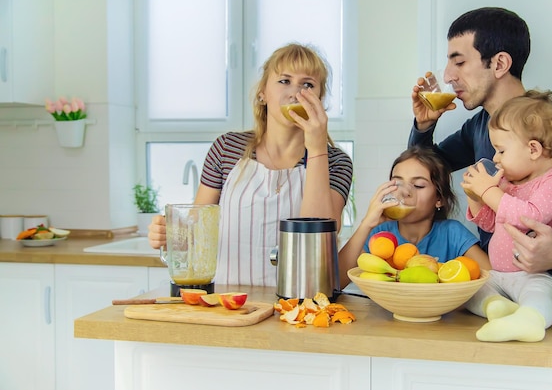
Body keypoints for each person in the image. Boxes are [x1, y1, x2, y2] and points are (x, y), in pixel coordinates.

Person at [408, 7, 552, 274]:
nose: (448, 76)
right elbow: (421, 173)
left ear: (499, 64)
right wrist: (424, 125)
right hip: (495, 282)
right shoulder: (476, 126)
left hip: (540, 288)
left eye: (459, 62)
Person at [148, 43, 353, 287]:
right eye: (284, 81)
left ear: (318, 100)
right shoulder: (226, 149)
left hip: (299, 310)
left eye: (307, 85)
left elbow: (319, 239)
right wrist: (166, 236)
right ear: (262, 93)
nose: (295, 93)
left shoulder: (336, 163)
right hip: (228, 307)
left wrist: (317, 148)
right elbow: (196, 233)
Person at [461, 90, 552, 342]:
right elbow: (492, 222)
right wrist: (475, 196)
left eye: (501, 151)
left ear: (533, 149)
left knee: (537, 294)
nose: (495, 158)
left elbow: (527, 216)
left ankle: (531, 320)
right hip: (502, 277)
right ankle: (498, 307)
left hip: (543, 277)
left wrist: (488, 190)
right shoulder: (509, 184)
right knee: (471, 289)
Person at [338, 146, 491, 289]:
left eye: (418, 185)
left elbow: (492, 279)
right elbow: (337, 281)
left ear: (439, 198)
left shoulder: (452, 233)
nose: (405, 192)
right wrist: (366, 224)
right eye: (397, 183)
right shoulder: (379, 234)